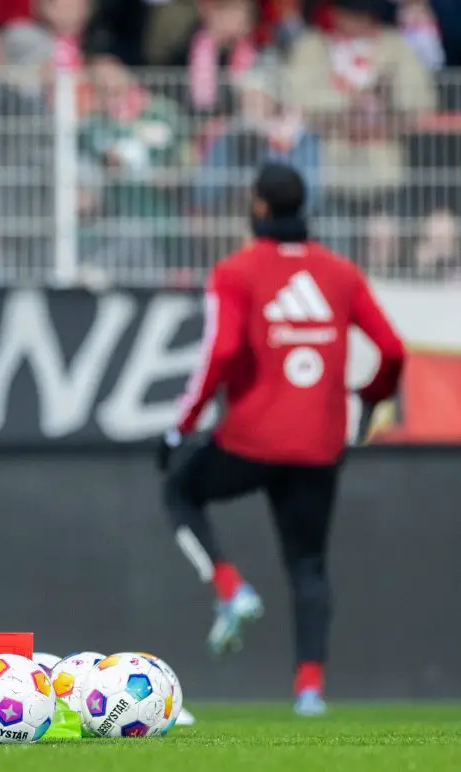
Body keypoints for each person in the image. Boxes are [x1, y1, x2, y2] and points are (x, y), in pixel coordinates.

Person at [158, 161, 405, 717]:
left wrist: (181, 427)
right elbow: (392, 350)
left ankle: (230, 588)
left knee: (180, 490)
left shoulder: (236, 271)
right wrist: (370, 397)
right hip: (320, 445)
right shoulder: (340, 273)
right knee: (308, 564)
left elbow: (220, 353)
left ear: (259, 207)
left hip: (250, 440)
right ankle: (309, 691)